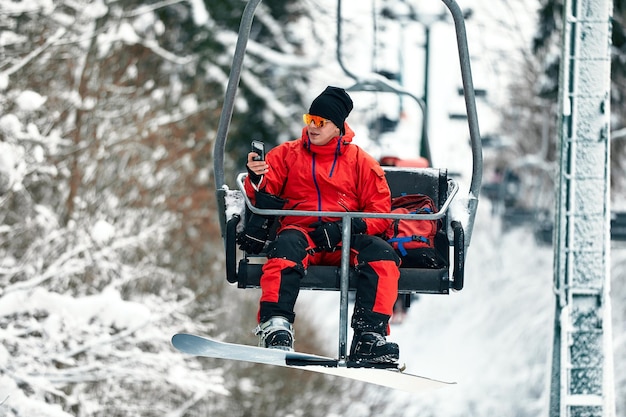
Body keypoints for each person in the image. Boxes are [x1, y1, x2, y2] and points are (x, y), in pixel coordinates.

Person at [237, 86, 401, 365]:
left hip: (345, 240)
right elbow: (264, 191)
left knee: (382, 255)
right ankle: (276, 325)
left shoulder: (361, 163)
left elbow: (380, 211)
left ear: (337, 127)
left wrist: (349, 229)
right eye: (309, 119)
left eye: (320, 122)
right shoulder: (287, 155)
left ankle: (369, 336)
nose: (312, 127)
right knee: (285, 246)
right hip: (303, 234)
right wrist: (256, 178)